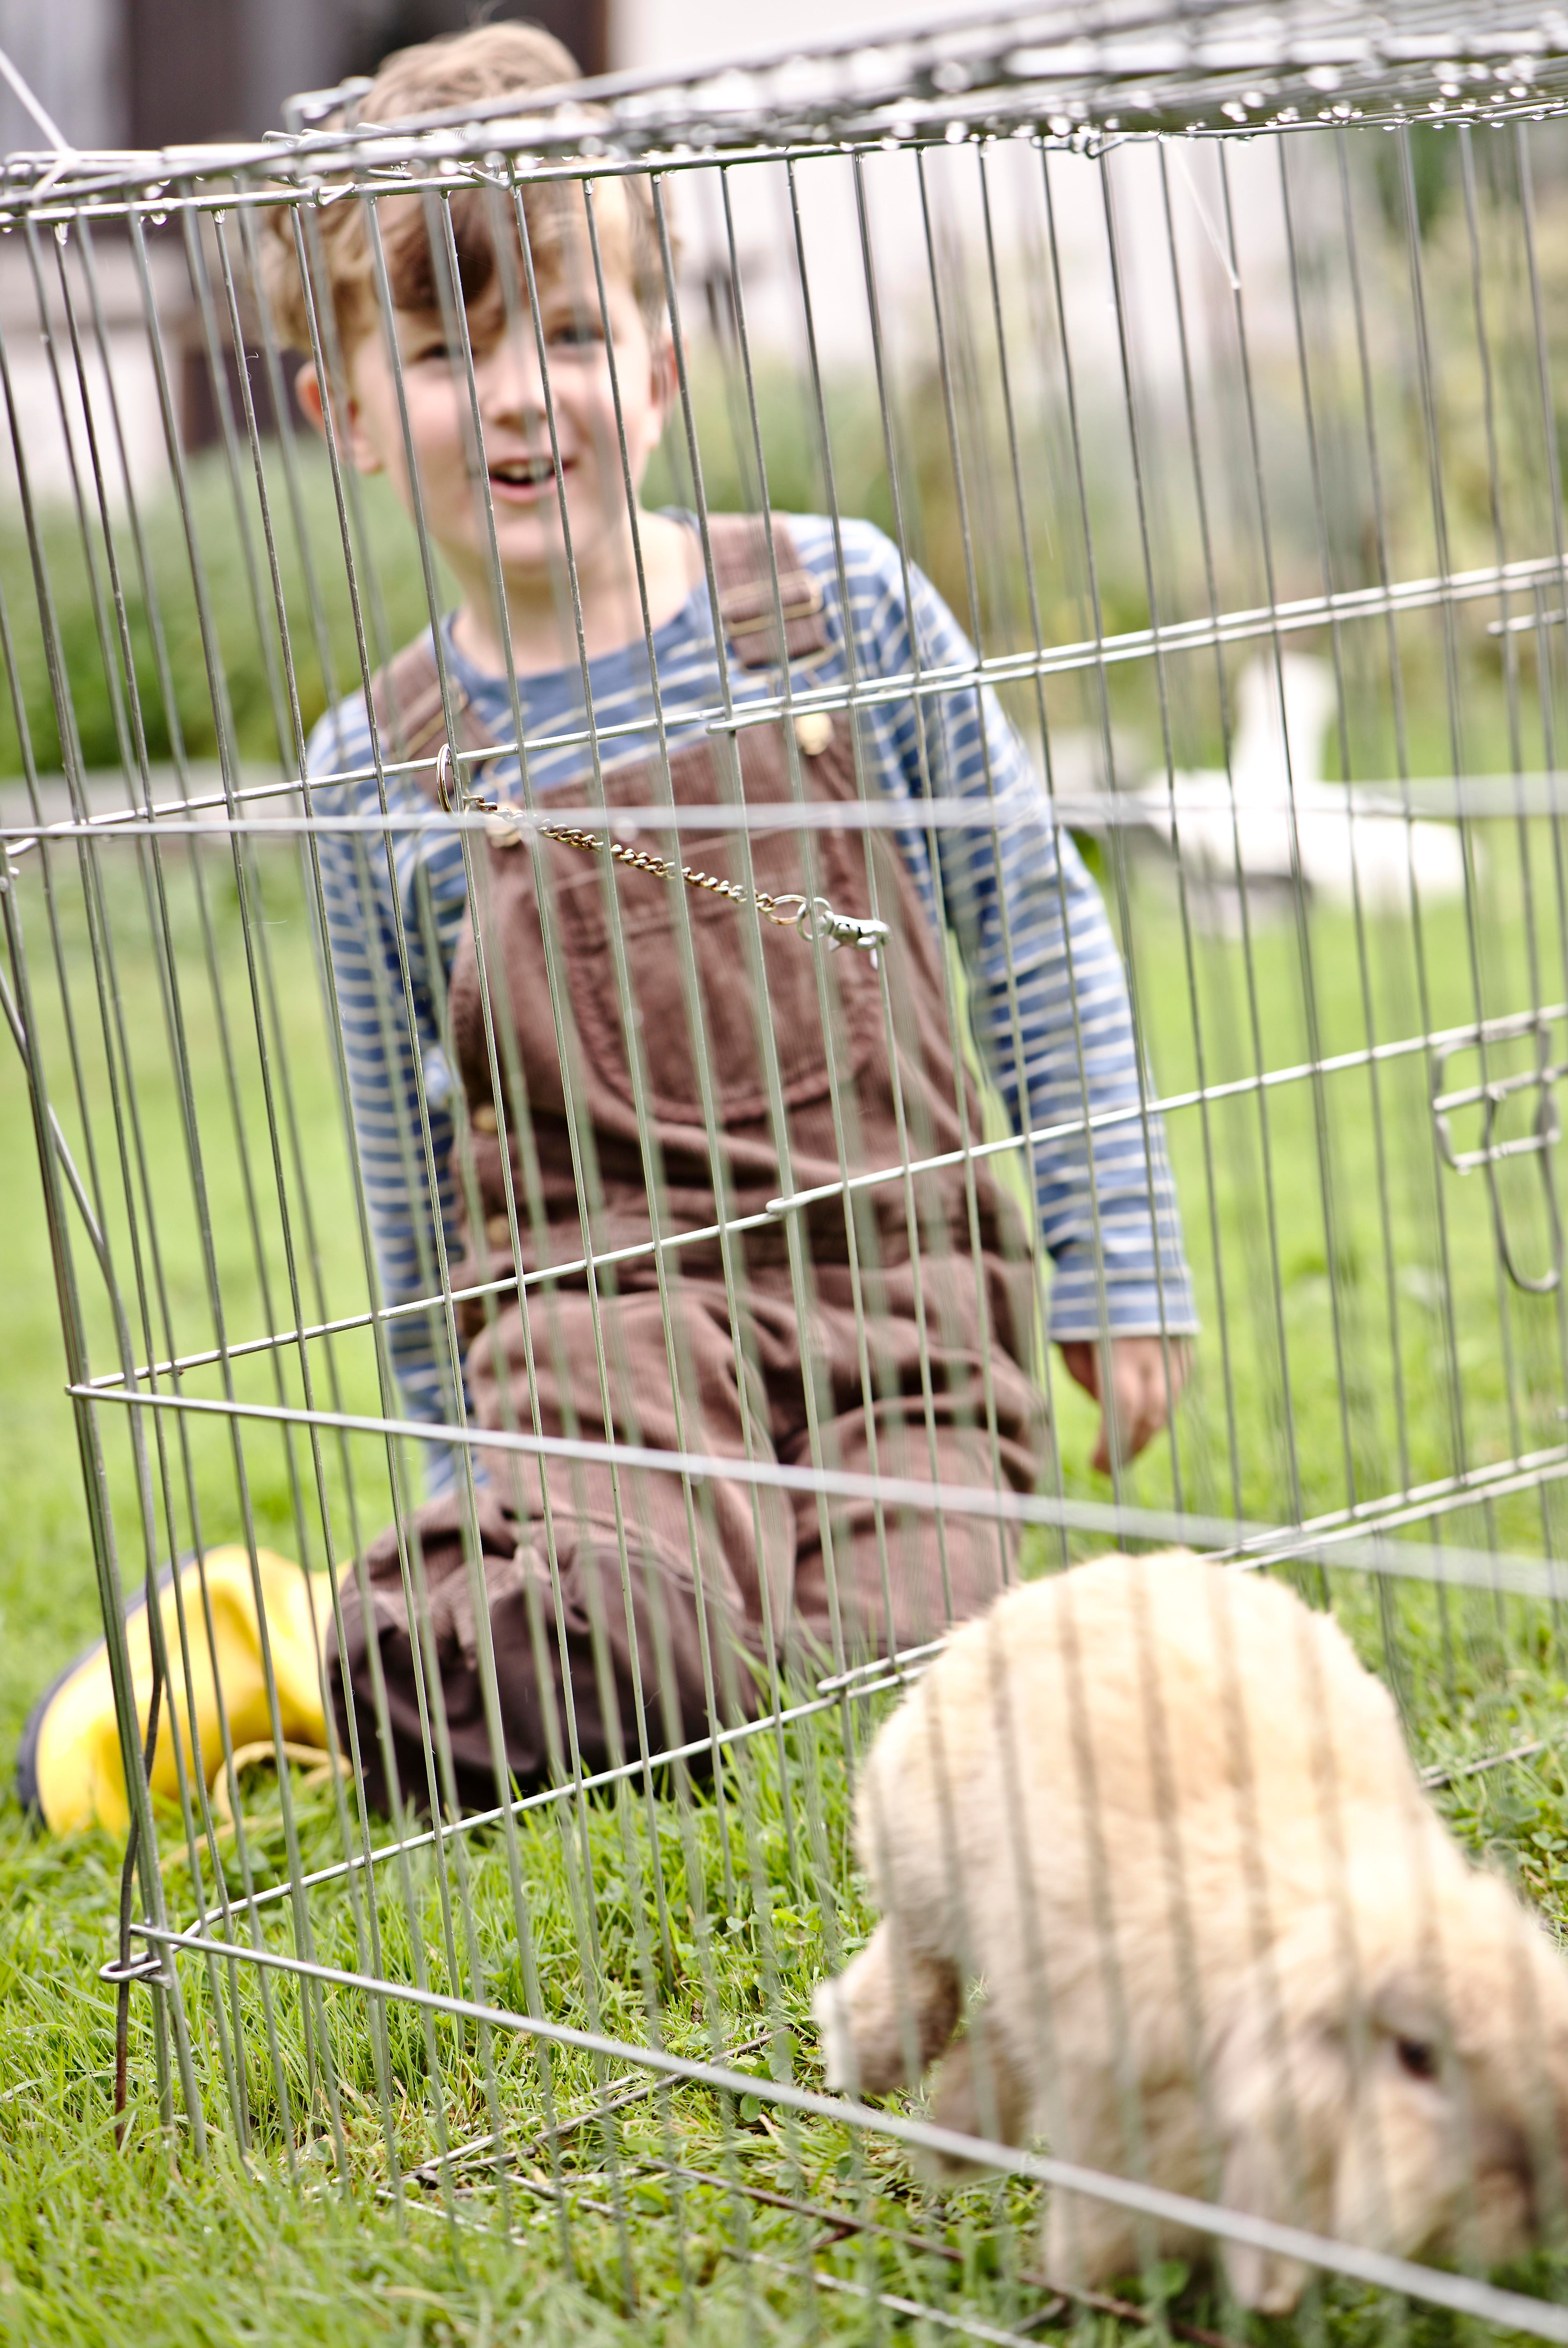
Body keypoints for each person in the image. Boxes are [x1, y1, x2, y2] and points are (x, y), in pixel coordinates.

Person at [19, 23, 1196, 1834]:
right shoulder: (381, 770)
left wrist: (1116, 1265)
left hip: (899, 1323)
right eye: (445, 353)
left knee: (906, 1676)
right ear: (343, 414)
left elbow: (1034, 927)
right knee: (603, 1637)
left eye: (569, 334)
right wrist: (461, 1467)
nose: (518, 397)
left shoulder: (843, 611)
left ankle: (577, 1631)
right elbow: (411, 1155)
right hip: (602, 1357)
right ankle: (377, 1628)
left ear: (657, 368)